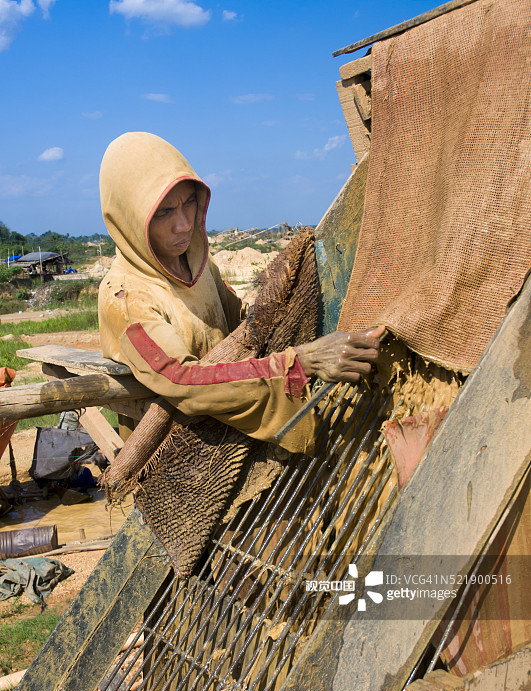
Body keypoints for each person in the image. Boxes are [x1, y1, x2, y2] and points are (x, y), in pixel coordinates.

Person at [98, 132, 382, 453]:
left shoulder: (199, 263)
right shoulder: (125, 299)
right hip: (176, 455)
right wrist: (297, 363)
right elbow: (184, 381)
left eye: (189, 202)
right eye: (163, 213)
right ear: (128, 219)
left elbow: (246, 323)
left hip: (232, 427)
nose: (183, 224)